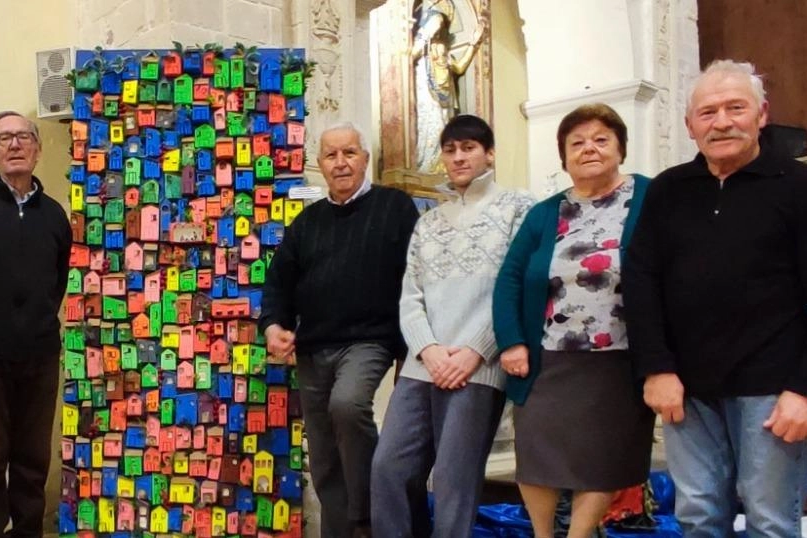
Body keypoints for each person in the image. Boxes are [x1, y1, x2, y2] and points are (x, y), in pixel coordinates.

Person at [623, 59, 807, 537]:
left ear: (761, 114)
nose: (721, 121)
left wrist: (803, 389)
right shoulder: (667, 190)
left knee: (770, 521)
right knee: (698, 517)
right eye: (707, 112)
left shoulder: (797, 187)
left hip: (772, 391)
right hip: (688, 390)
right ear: (689, 125)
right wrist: (655, 368)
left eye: (735, 108)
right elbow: (640, 280)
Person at [493, 103, 655, 538]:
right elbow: (510, 277)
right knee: (537, 456)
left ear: (621, 147)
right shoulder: (545, 213)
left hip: (621, 359)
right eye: (576, 143)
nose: (589, 149)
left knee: (603, 462)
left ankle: (579, 535)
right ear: (563, 157)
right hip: (549, 358)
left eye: (601, 139)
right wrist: (511, 341)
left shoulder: (650, 197)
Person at [371, 115, 534, 537]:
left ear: (489, 153)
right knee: (389, 467)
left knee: (453, 477)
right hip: (424, 363)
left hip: (478, 364)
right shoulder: (429, 222)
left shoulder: (518, 207)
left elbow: (515, 289)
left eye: (469, 148)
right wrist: (428, 350)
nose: (459, 157)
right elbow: (411, 296)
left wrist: (476, 351)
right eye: (450, 149)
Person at [260, 122, 419, 538]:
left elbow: (415, 276)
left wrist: (411, 350)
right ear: (320, 166)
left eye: (349, 153)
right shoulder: (306, 222)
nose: (341, 162)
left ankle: (366, 517)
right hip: (313, 347)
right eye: (331, 155)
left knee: (347, 406)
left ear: (365, 159)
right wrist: (273, 325)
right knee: (324, 452)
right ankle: (340, 529)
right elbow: (278, 282)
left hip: (370, 339)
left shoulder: (395, 207)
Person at [0, 111, 71, 538]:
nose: (15, 145)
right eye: (3, 138)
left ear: (38, 150)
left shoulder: (56, 215)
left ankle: (26, 532)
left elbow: (57, 281)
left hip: (38, 356)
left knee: (32, 458)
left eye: (24, 137)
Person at [411, 0, 485, 174]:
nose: (440, 25)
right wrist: (424, 36)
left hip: (445, 99)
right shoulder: (424, 54)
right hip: (427, 94)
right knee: (429, 126)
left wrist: (473, 44)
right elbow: (411, 54)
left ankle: (440, 165)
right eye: (437, 21)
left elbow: (458, 68)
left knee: (443, 126)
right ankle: (427, 167)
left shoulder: (444, 51)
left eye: (441, 22)